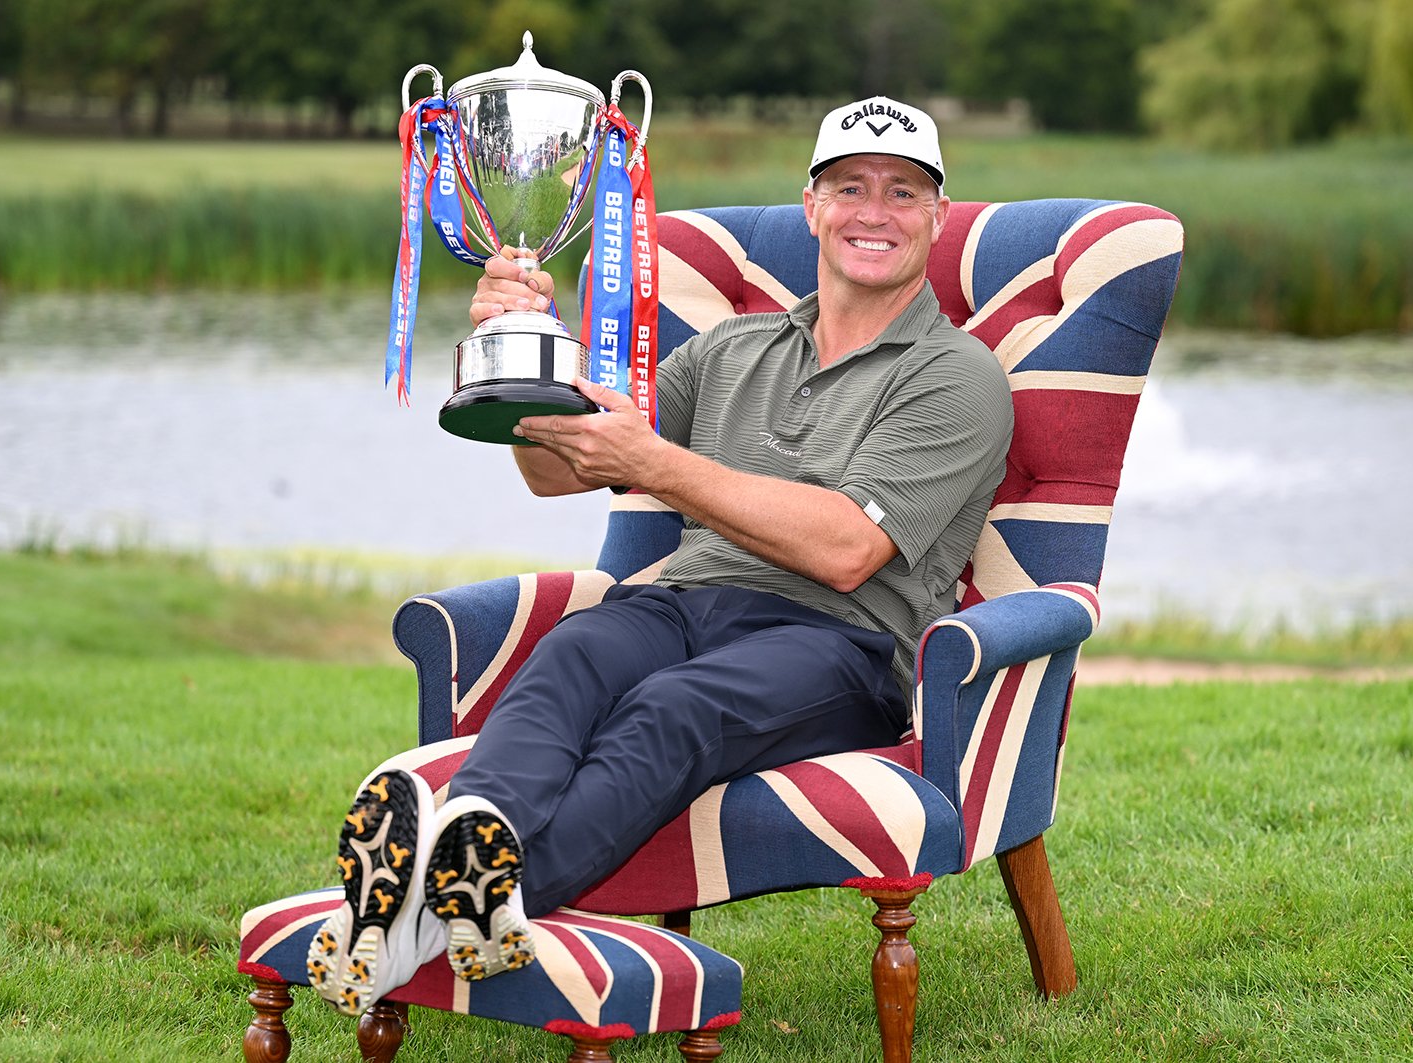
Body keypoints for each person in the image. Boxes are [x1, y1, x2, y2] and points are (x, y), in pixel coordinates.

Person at [306, 96, 1014, 1016]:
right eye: (849, 187)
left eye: (902, 192)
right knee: (572, 656)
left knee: (671, 708)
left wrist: (661, 465)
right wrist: (519, 349)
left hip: (838, 640)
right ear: (812, 206)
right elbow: (553, 470)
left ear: (937, 219)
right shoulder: (732, 347)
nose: (872, 211)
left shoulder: (958, 375)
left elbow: (846, 550)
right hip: (682, 601)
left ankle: (435, 908)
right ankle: (468, 858)